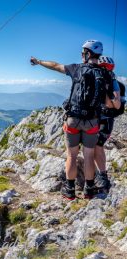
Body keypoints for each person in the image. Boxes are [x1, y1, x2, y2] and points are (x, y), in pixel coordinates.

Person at [30, 40, 117, 200]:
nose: (81, 55)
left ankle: (69, 191)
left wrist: (39, 62)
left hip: (72, 120)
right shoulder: (104, 74)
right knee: (89, 156)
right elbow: (110, 101)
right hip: (92, 122)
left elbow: (55, 66)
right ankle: (89, 190)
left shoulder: (76, 68)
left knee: (72, 155)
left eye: (83, 52)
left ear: (88, 54)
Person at [95, 55, 125, 196]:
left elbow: (115, 105)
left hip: (105, 119)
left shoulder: (113, 84)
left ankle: (102, 177)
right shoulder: (100, 81)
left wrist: (106, 91)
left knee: (97, 146)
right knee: (91, 146)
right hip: (97, 119)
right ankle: (97, 176)